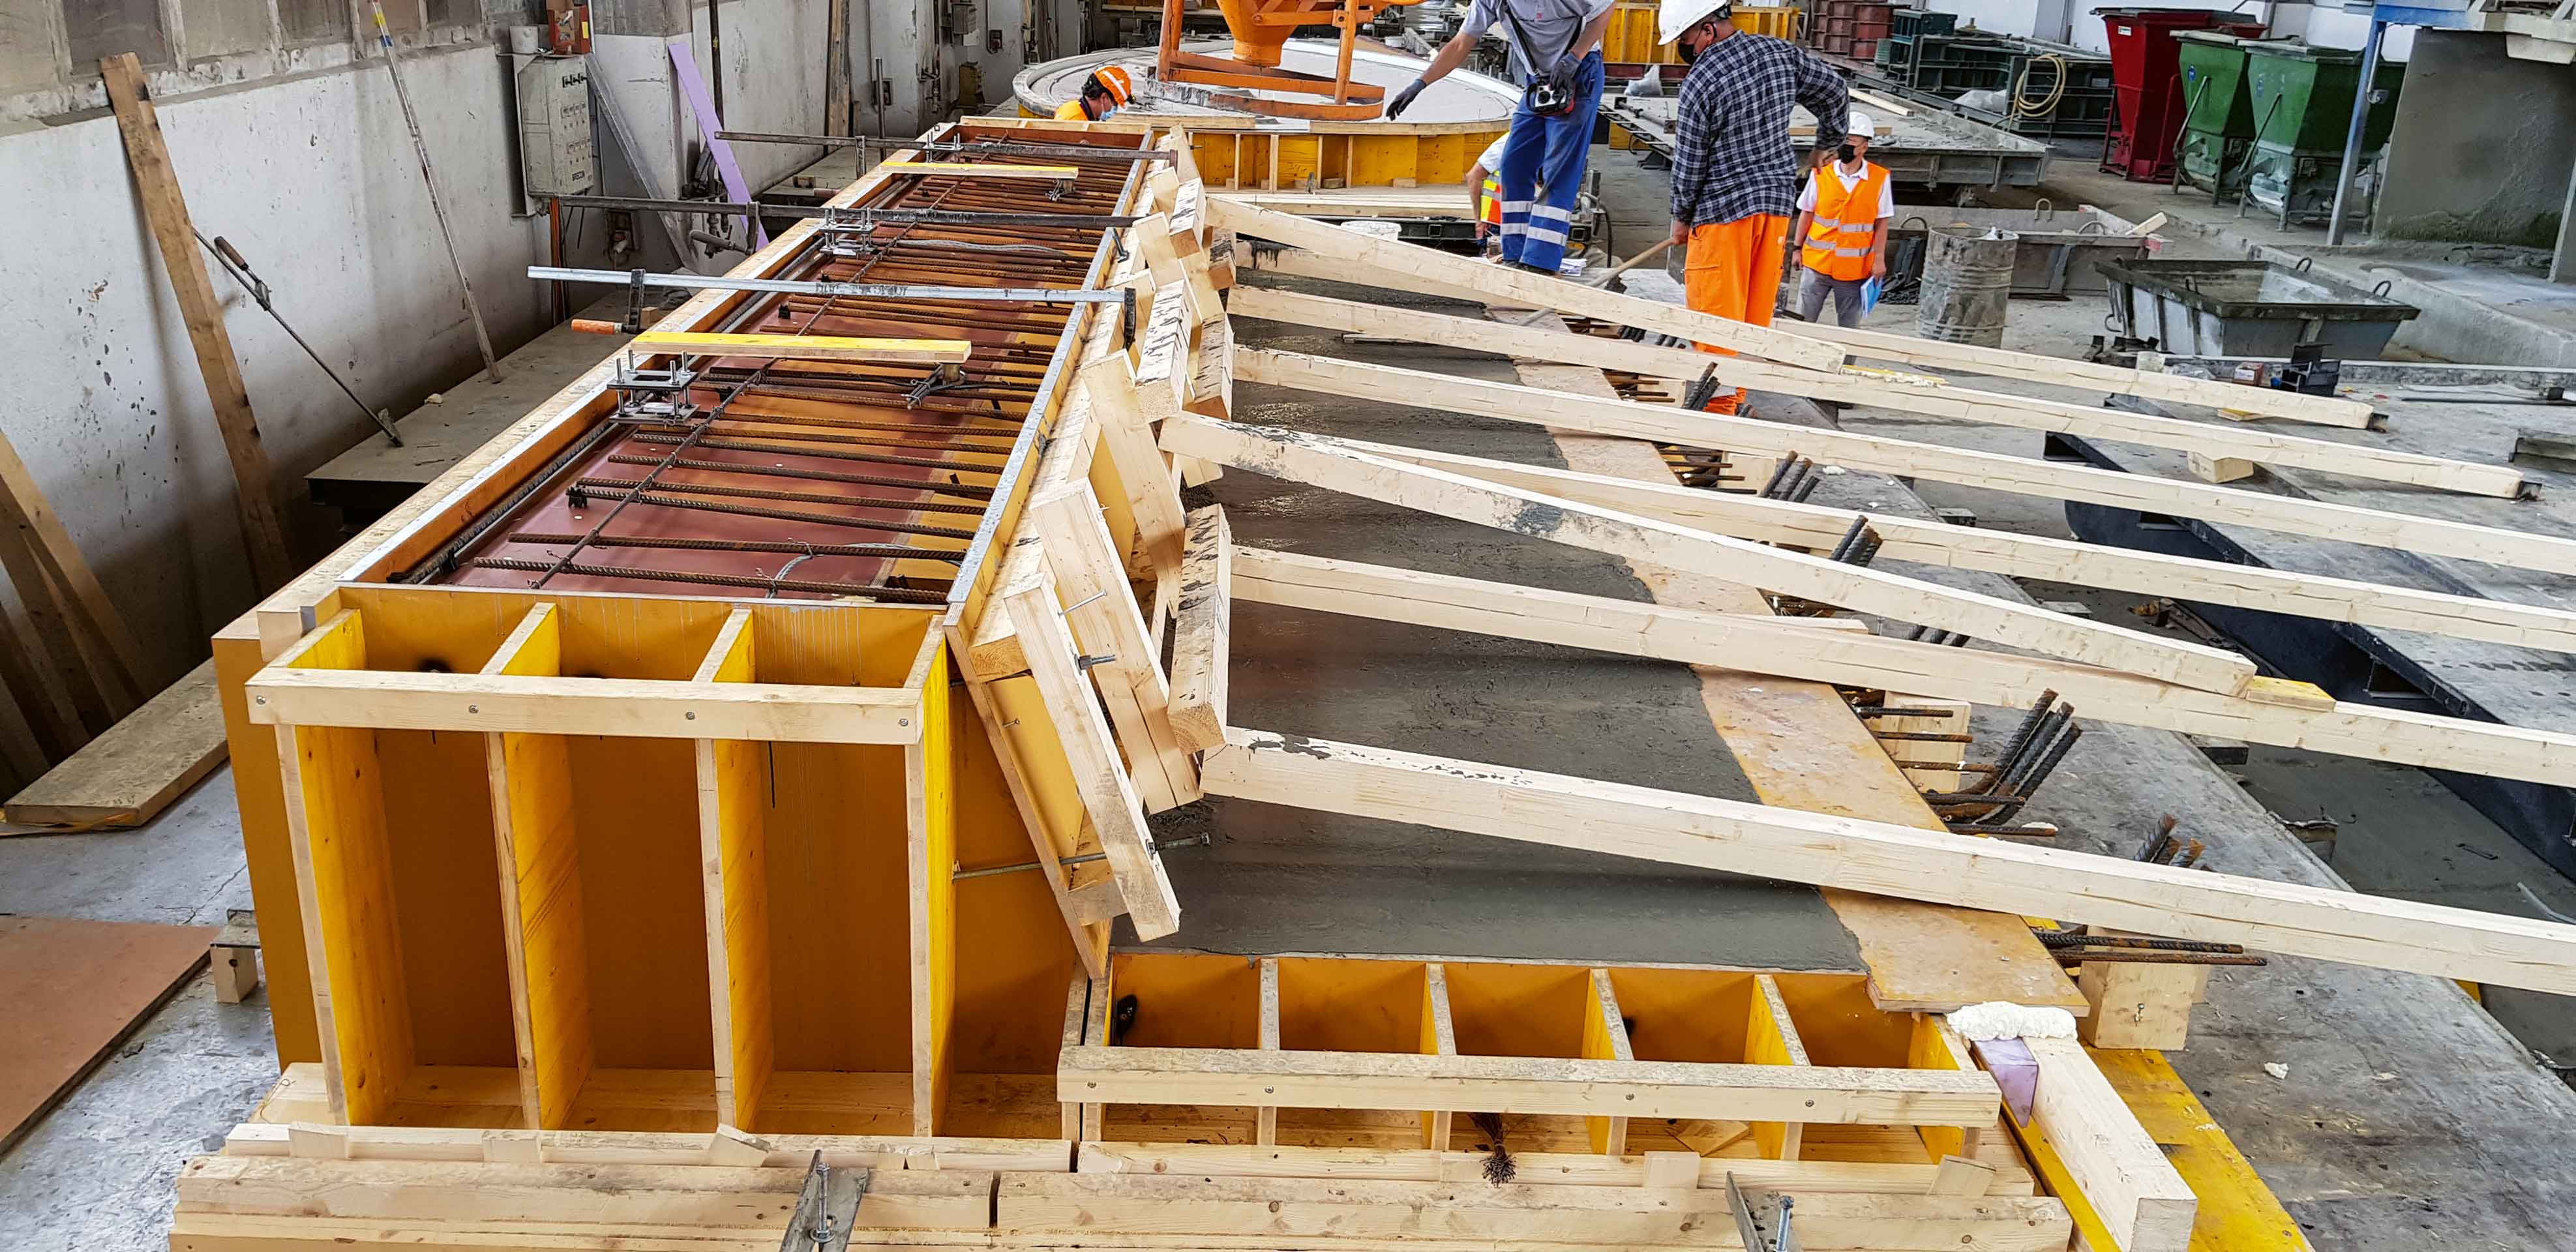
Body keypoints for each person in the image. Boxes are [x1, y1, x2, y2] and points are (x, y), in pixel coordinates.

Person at [1658, 0, 1848, 413]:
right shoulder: (1779, 53)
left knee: (1715, 324)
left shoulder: (1702, 80)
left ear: (1707, 30)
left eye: (1685, 39)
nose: (1683, 49)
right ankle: (1731, 411)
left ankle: (1714, 425)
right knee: (1751, 321)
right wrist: (1828, 143)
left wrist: (1681, 217)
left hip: (1722, 213)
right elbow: (1834, 88)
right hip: (1775, 208)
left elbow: (1691, 160)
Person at [1388, 0, 1616, 274]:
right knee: (1515, 164)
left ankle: (1541, 262)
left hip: (1579, 73)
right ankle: (1515, 252)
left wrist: (1575, 57)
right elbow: (1462, 43)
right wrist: (1420, 83)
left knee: (1559, 168)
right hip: (1539, 79)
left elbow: (1606, 7)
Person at [1792, 111, 1892, 329]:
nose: (1845, 147)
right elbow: (1806, 212)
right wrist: (1797, 248)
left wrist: (1879, 259)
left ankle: (1847, 364)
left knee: (1849, 329)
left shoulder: (1879, 178)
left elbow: (1881, 222)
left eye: (1852, 143)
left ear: (1864, 147)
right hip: (1816, 265)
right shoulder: (1821, 173)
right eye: (1843, 141)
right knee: (1802, 324)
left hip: (1853, 270)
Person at [1464, 130, 1508, 250]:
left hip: (1524, 222)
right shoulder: (1508, 142)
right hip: (1495, 223)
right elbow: (1473, 177)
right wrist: (1479, 220)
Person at [1055, 65, 1133, 122]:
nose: (1115, 109)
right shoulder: (1078, 124)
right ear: (1104, 98)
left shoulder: (1074, 108)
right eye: (1115, 104)